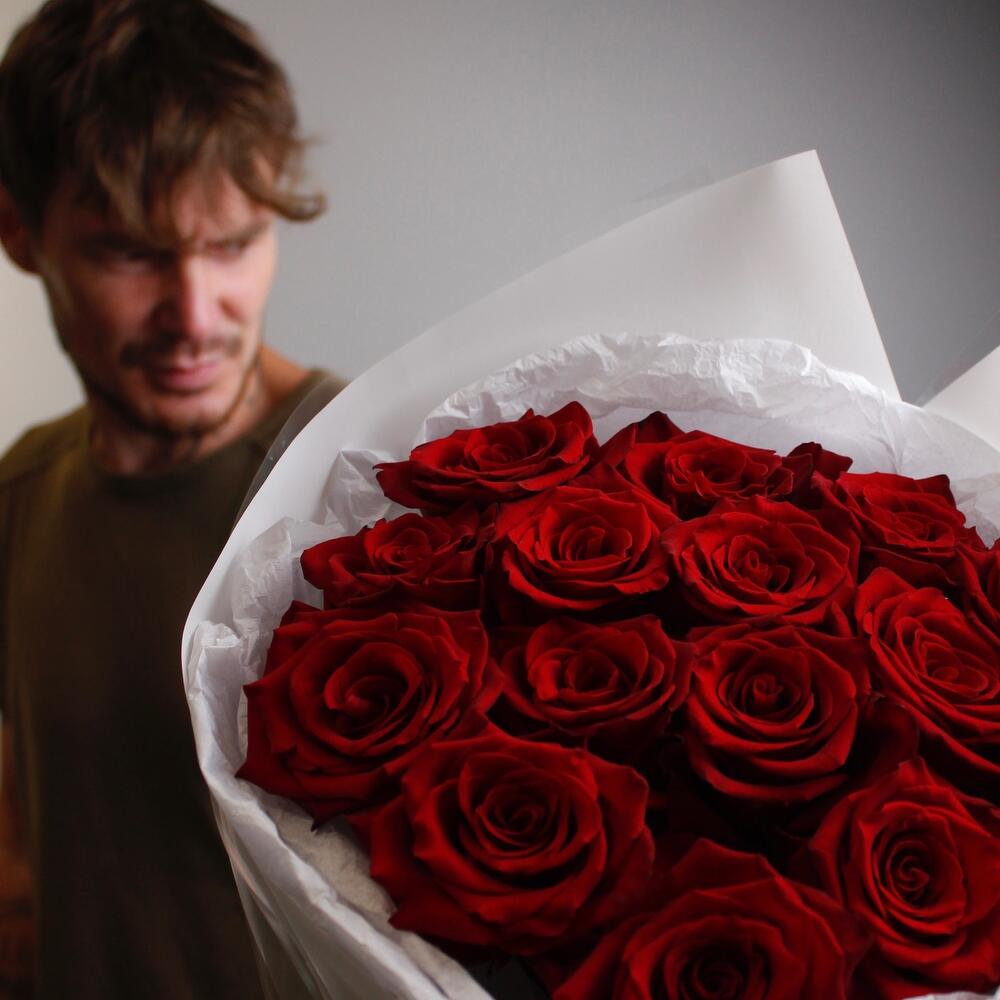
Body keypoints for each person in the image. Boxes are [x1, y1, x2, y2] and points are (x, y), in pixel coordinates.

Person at [0, 1, 343, 996]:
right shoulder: (20, 496)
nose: (196, 315)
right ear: (19, 231)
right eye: (131, 252)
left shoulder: (374, 485)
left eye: (233, 243)